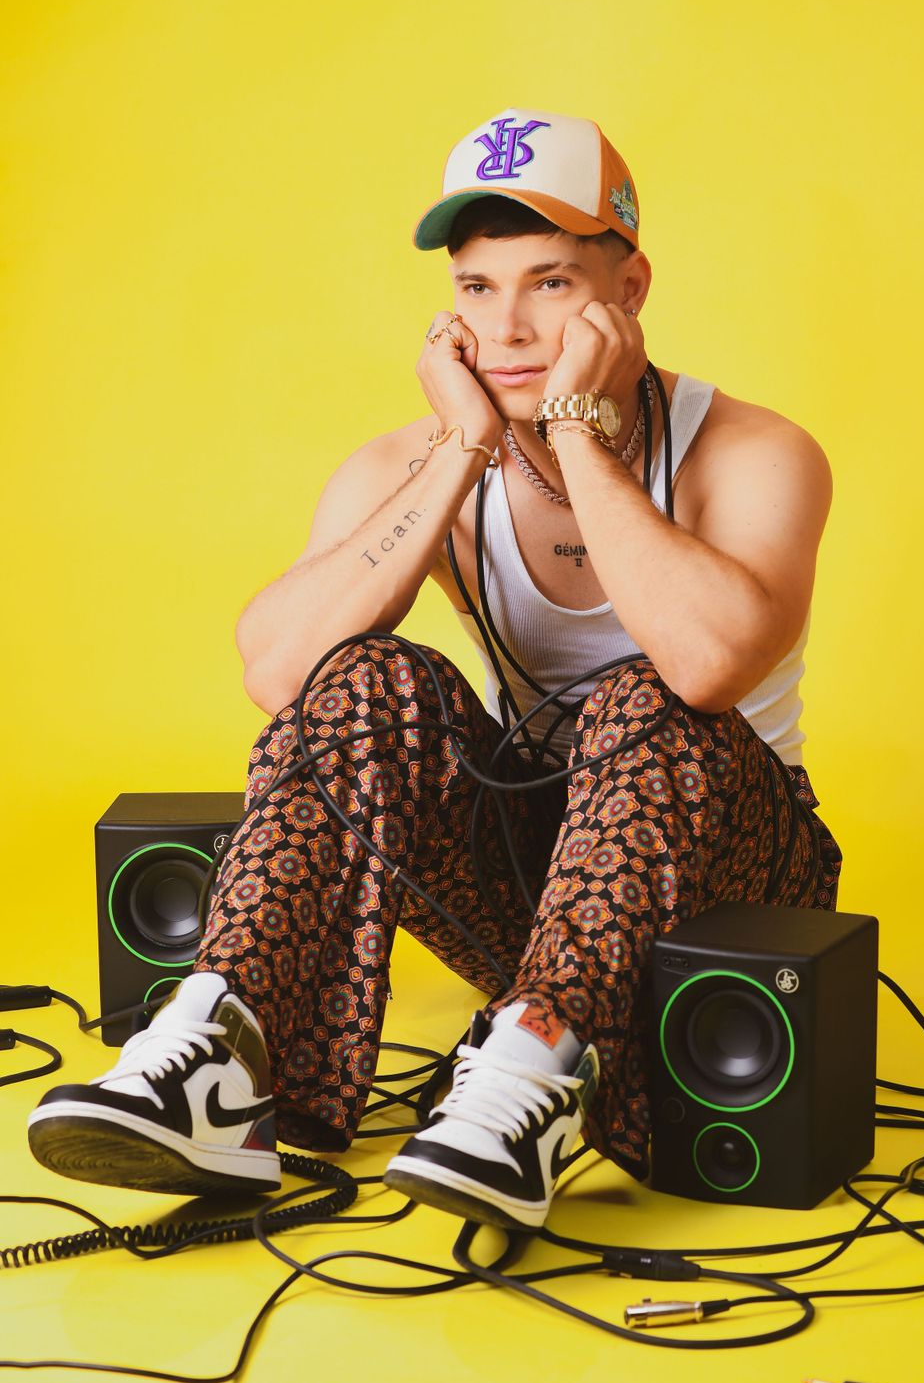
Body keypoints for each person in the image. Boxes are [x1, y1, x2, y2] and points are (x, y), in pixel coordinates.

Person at [27, 107, 843, 1231]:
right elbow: (280, 675)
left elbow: (706, 668)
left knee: (645, 695)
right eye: (476, 288)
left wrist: (573, 431)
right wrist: (461, 449)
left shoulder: (755, 452)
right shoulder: (418, 460)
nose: (506, 326)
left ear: (630, 287)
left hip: (735, 892)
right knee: (365, 678)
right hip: (539, 892)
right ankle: (218, 1052)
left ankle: (533, 1072)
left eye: (549, 283)